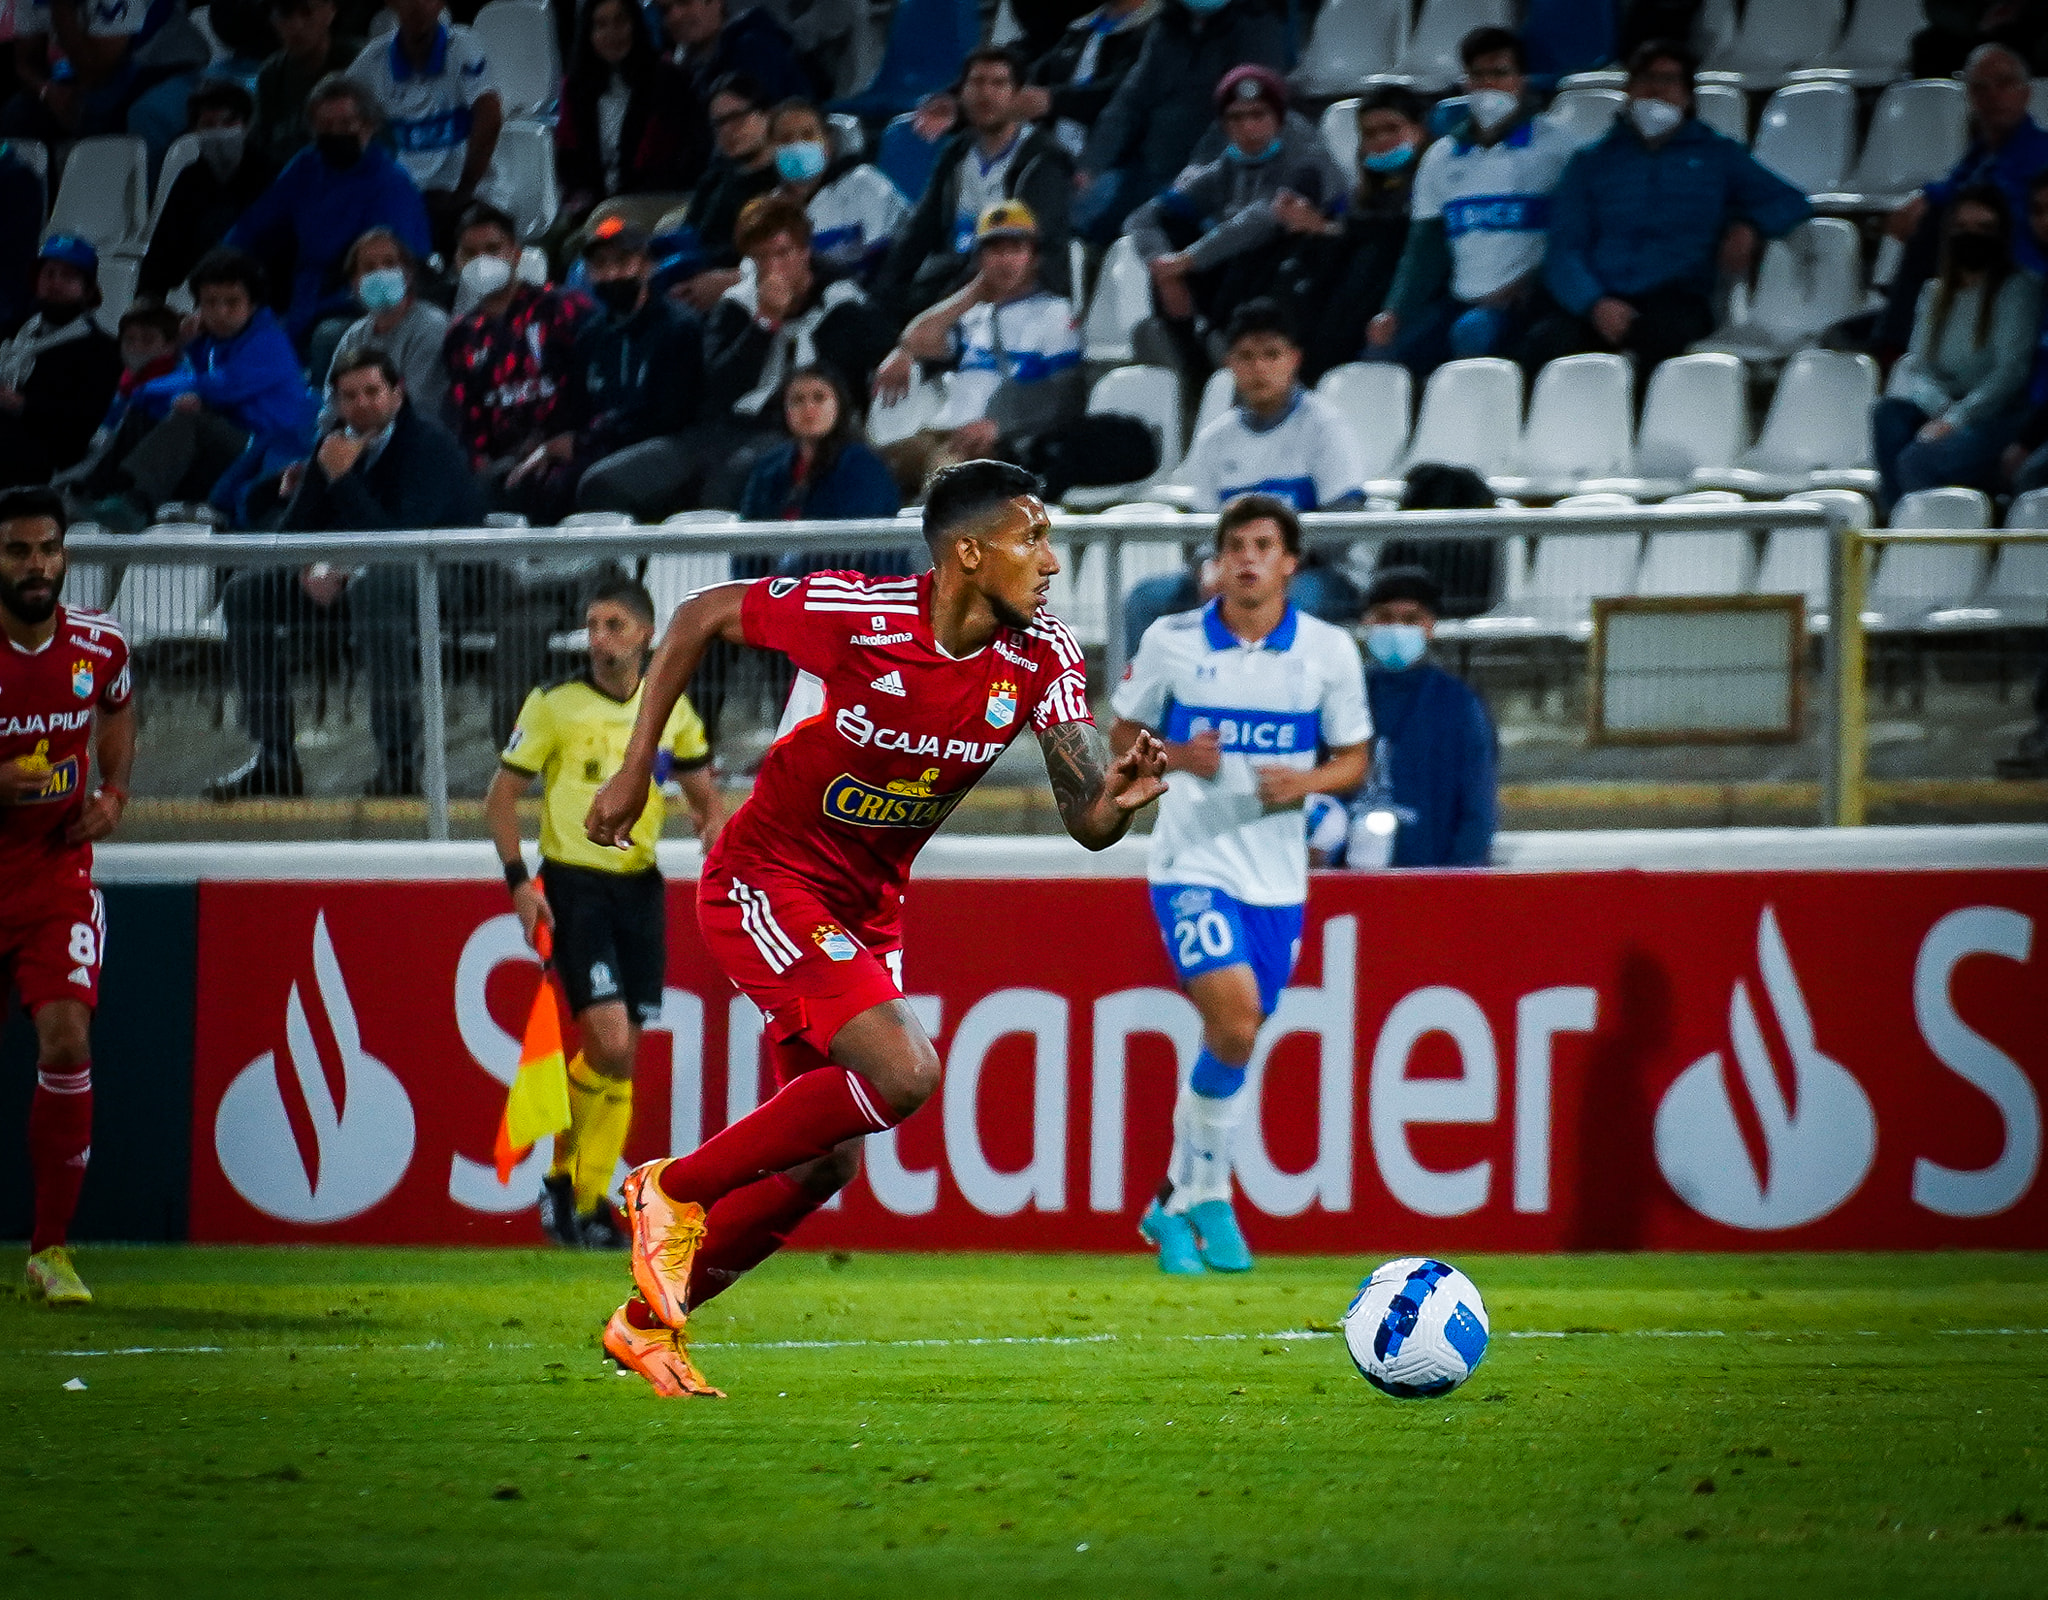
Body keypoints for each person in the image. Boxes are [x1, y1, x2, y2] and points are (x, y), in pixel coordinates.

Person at [581, 460, 1169, 1395]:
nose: (1052, 562)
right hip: (764, 882)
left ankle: (649, 1323)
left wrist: (1119, 802)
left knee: (825, 1163)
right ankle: (673, 1190)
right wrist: (631, 767)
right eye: (1034, 538)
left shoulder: (1042, 653)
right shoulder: (860, 615)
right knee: (905, 1072)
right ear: (969, 553)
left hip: (865, 908)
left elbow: (1085, 815)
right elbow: (698, 614)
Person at [1108, 492, 1369, 1274]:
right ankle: (1213, 1192)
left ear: (1290, 562)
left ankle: (1172, 1202)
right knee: (1238, 1017)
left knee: (1237, 1037)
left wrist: (1311, 780)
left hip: (1277, 877)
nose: (1248, 559)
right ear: (1218, 562)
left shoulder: (1327, 651)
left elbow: (1356, 758)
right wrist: (1180, 756)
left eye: (1263, 546)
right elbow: (1120, 731)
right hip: (1190, 863)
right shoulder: (1172, 640)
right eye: (1235, 546)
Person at [487, 576, 723, 1248]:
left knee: (622, 1057)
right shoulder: (555, 705)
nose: (599, 640)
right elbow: (500, 798)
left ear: (647, 633)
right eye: (593, 626)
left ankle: (580, 1199)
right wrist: (519, 885)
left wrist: (714, 829)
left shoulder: (671, 709)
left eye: (615, 625)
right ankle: (569, 1187)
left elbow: (706, 801)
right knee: (611, 1041)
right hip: (574, 885)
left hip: (639, 889)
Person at [209, 347, 483, 798]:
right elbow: (295, 530)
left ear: (398, 393)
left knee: (377, 590)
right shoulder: (333, 445)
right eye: (348, 395)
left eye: (372, 392)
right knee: (246, 593)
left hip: (443, 579)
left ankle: (399, 762)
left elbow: (404, 541)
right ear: (335, 402)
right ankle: (273, 757)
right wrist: (307, 566)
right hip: (360, 577)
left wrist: (342, 481)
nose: (361, 404)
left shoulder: (429, 444)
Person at [0, 487, 136, 1307]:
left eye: (47, 549)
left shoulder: (100, 645)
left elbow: (117, 708)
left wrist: (114, 792)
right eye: (18, 552)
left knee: (64, 1040)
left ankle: (50, 1251)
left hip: (55, 874)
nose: (36, 565)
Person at [584, 195, 893, 518]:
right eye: (761, 257)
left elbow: (875, 363)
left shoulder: (843, 307)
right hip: (721, 431)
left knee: (725, 487)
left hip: (792, 433)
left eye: (782, 253)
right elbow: (722, 386)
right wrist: (763, 322)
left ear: (804, 253)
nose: (773, 267)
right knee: (602, 484)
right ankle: (623, 568)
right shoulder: (735, 307)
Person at [1523, 38, 1811, 378]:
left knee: (1657, 343)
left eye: (1669, 80)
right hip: (1597, 295)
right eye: (1646, 80)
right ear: (1629, 91)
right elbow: (1565, 246)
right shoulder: (1590, 163)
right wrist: (1593, 302)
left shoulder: (1717, 156)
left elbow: (1789, 201)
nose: (1656, 90)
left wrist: (1749, 225)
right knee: (1546, 344)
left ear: (1688, 96)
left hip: (1675, 296)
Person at [1121, 299, 1364, 652]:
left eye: (1271, 355)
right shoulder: (1215, 438)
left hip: (1312, 574)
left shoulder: (1325, 427)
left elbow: (1344, 524)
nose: (1259, 368)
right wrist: (1208, 566)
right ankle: (1143, 705)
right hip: (1235, 572)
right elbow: (1199, 530)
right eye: (1247, 357)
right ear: (1230, 363)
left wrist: (1276, 566)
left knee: (1300, 602)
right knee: (1147, 600)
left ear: (1294, 359)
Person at [1366, 26, 1581, 375]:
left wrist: (1526, 287)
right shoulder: (1441, 157)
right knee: (1382, 356)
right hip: (1460, 300)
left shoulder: (1560, 148)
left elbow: (1573, 236)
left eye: (1500, 73)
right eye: (1479, 75)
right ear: (1466, 83)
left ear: (1522, 79)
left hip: (1530, 300)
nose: (1488, 85)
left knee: (1475, 336)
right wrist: (1395, 310)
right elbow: (1424, 249)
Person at [1126, 65, 1344, 376]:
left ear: (1278, 117)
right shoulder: (1228, 164)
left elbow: (1260, 220)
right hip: (1237, 272)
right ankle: (1187, 350)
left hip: (1298, 274)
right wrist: (1164, 268)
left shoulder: (1307, 159)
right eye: (1236, 118)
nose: (1248, 127)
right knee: (1171, 231)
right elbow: (1144, 217)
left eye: (1258, 116)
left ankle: (1227, 343)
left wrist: (1187, 261)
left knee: (1265, 242)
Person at [875, 199, 1085, 486]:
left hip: (996, 442)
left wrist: (1000, 426)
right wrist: (974, 292)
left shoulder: (1054, 312)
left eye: (1016, 250)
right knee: (870, 471)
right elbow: (915, 340)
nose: (1005, 260)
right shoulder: (974, 314)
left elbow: (1067, 394)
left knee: (942, 482)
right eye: (995, 250)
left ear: (1034, 258)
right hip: (944, 431)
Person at [1306, 565, 1495, 871]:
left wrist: (1462, 882)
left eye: (1410, 620)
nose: (1396, 628)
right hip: (1343, 874)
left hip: (1429, 876)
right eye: (1384, 617)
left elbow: (1477, 807)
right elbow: (1311, 778)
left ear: (1429, 627)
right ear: (1366, 623)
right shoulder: (1341, 693)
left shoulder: (1459, 705)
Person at [225, 73, 434, 348]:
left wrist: (317, 312)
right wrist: (222, 267)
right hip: (302, 296)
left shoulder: (390, 183)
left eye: (346, 124)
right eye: (325, 125)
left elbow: (396, 269)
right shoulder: (307, 166)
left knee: (325, 336)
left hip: (355, 303)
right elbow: (256, 224)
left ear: (369, 126)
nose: (335, 133)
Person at [511, 218, 699, 523]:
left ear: (647, 266)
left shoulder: (678, 328)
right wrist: (548, 442)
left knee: (595, 483)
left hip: (668, 445)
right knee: (525, 480)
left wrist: (585, 442)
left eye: (623, 262)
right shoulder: (590, 335)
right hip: (602, 444)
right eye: (600, 265)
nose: (611, 274)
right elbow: (575, 407)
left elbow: (671, 415)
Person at [114, 249, 318, 526]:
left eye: (232, 303)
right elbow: (202, 387)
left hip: (261, 453)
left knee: (188, 419)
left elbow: (216, 387)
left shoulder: (268, 343)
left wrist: (144, 389)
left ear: (253, 304)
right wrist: (195, 347)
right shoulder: (214, 343)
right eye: (210, 303)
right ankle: (104, 491)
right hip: (231, 445)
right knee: (146, 411)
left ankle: (136, 504)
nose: (220, 313)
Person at [1871, 185, 2041, 514]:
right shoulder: (1934, 292)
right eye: (1962, 228)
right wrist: (1943, 411)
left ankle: (1929, 542)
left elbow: (2010, 374)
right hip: (1946, 407)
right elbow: (1919, 367)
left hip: (1999, 413)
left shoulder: (2020, 289)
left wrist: (1955, 420)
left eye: (1984, 229)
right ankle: (1894, 529)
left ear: (2001, 235)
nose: (1971, 237)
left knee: (1916, 460)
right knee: (1887, 415)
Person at [878, 46, 1075, 325]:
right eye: (977, 83)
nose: (986, 94)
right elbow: (920, 229)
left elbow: (1028, 250)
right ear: (962, 94)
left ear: (1018, 96)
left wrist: (943, 305)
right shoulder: (956, 153)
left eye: (999, 84)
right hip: (952, 279)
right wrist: (885, 290)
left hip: (1015, 295)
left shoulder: (1044, 160)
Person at [1076, 0, 1292, 244]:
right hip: (1149, 169)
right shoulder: (1168, 25)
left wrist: (1194, 175)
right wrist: (1091, 165)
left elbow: (1244, 118)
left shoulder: (1259, 27)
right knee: (1078, 211)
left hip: (1214, 180)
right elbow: (1129, 102)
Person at [1879, 43, 2048, 353]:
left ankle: (1893, 340)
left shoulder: (2041, 151)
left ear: (2026, 92)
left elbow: (1996, 200)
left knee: (1937, 224)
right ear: (1971, 97)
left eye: (2005, 84)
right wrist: (1927, 196)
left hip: (2022, 268)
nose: (1994, 96)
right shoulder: (1981, 152)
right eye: (1981, 88)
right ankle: (1896, 333)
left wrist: (1934, 201)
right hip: (1975, 266)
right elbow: (1958, 184)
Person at [1271, 86, 1423, 385]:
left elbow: (1401, 231)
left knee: (1370, 257)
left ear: (1418, 130)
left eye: (1391, 129)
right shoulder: (1361, 192)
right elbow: (1352, 223)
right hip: (1357, 293)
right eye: (1370, 133)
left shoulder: (1433, 175)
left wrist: (1326, 227)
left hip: (1407, 289)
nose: (1381, 141)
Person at [443, 203, 594, 494]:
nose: (481, 261)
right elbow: (466, 414)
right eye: (470, 254)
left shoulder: (563, 308)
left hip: (564, 452)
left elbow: (589, 386)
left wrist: (568, 443)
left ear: (515, 251)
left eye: (492, 248)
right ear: (458, 261)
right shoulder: (461, 335)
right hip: (502, 463)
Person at [348, 0, 507, 252]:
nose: (417, 6)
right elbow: (342, 116)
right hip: (404, 202)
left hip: (469, 198)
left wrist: (463, 191)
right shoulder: (372, 62)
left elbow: (490, 116)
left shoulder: (463, 45)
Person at [555, 0, 708, 238]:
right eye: (601, 25)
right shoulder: (574, 89)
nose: (612, 34)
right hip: (596, 208)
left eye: (620, 21)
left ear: (635, 24)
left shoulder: (669, 82)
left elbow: (680, 162)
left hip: (655, 202)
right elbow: (570, 163)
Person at [0, 237, 125, 491]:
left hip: (48, 455)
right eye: (49, 274)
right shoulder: (12, 333)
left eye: (68, 277)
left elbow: (83, 425)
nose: (55, 283)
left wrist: (22, 406)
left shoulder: (101, 350)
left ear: (88, 290)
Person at [138, 79, 278, 305]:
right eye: (210, 124)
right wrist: (148, 298)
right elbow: (164, 249)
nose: (220, 132)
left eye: (228, 122)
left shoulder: (270, 173)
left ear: (246, 124)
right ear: (196, 130)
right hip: (203, 293)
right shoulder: (190, 179)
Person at [737, 363, 904, 544]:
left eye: (819, 398)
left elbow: (857, 545)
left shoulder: (866, 467)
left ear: (838, 405)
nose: (808, 409)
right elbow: (747, 541)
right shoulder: (767, 467)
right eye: (797, 400)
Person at [666, 73, 783, 311]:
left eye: (738, 117)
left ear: (767, 114)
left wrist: (730, 280)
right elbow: (690, 236)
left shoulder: (785, 181)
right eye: (720, 123)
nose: (728, 130)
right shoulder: (714, 180)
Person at [767, 98, 911, 284]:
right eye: (786, 138)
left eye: (808, 135)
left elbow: (891, 261)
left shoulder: (865, 185)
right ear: (772, 149)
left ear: (827, 143)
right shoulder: (770, 210)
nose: (797, 145)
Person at [320, 228, 452, 427]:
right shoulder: (355, 335)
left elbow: (419, 407)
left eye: (389, 263)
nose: (380, 272)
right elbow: (333, 400)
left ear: (407, 275)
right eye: (369, 267)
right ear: (355, 284)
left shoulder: (431, 326)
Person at [1022, 0, 1158, 167]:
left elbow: (1123, 94)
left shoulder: (1158, 30)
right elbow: (1041, 71)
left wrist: (1052, 100)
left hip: (1117, 162)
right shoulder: (1081, 27)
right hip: (1054, 157)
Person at [655, 0, 811, 122]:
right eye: (665, 10)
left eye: (684, 3)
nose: (674, 16)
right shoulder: (687, 71)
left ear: (717, 2)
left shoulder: (755, 49)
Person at [251, 0, 363, 166]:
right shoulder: (271, 74)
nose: (296, 25)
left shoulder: (359, 63)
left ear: (330, 11)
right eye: (285, 13)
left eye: (307, 12)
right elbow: (263, 146)